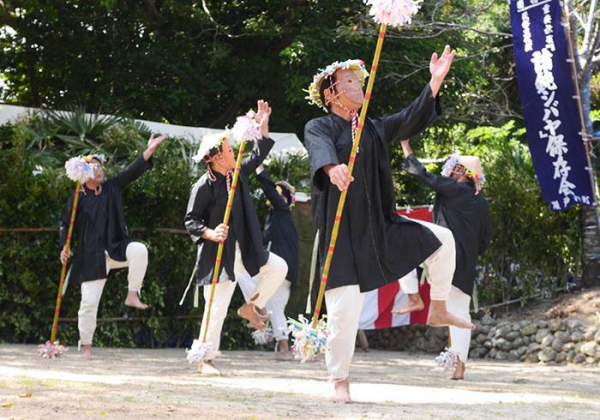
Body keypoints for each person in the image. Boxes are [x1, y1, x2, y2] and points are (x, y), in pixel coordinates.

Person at [303, 46, 474, 403]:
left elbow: (410, 116)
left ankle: (438, 306)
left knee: (443, 239)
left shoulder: (374, 128)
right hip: (343, 234)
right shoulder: (319, 125)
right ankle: (339, 379)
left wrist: (435, 80)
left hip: (381, 227)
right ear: (331, 93)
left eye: (358, 79)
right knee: (343, 311)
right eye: (350, 80)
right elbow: (319, 150)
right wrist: (332, 168)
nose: (358, 84)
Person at [184, 100, 287, 375]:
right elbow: (191, 220)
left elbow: (259, 152)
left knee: (279, 267)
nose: (233, 152)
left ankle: (252, 306)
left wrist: (262, 123)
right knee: (215, 309)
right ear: (216, 157)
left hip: (247, 248)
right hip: (219, 254)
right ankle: (205, 360)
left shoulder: (237, 174)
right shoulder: (203, 186)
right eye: (229, 149)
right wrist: (210, 232)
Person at [59, 133, 168, 358]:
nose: (101, 170)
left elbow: (132, 171)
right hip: (91, 255)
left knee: (139, 250)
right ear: (85, 173)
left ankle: (132, 293)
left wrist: (149, 150)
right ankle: (86, 345)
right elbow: (65, 227)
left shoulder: (111, 187)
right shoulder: (77, 198)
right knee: (88, 303)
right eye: (95, 167)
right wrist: (65, 246)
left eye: (101, 166)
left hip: (116, 247)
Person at [398, 139, 492, 380]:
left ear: (463, 174)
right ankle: (460, 366)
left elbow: (424, 175)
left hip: (442, 254)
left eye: (455, 169)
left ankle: (413, 296)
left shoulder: (455, 190)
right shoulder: (481, 203)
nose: (450, 172)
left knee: (401, 241)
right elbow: (485, 239)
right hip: (465, 262)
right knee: (460, 314)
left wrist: (407, 147)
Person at [236, 164, 298, 360]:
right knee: (241, 275)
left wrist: (259, 168)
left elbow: (270, 191)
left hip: (283, 270)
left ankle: (284, 348)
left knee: (276, 306)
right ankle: (259, 307)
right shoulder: (275, 217)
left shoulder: (282, 211)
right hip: (272, 269)